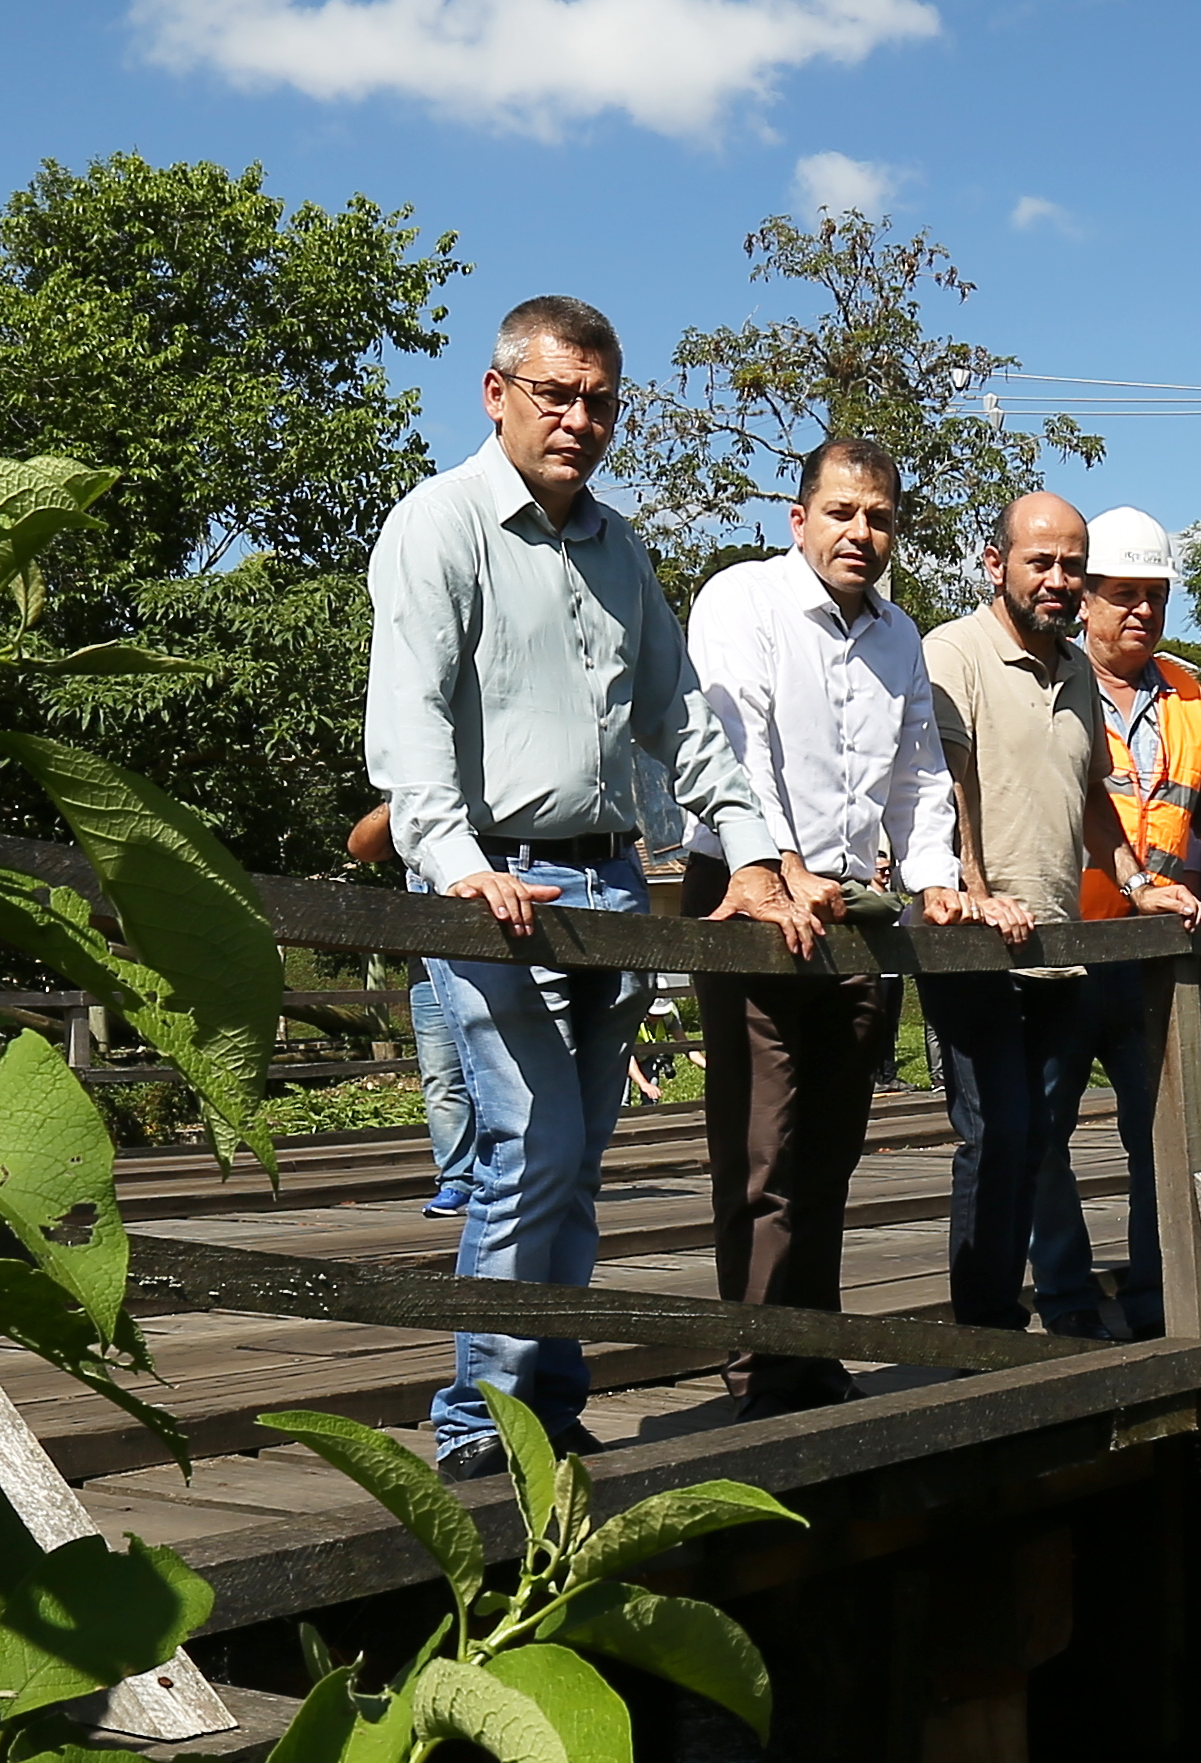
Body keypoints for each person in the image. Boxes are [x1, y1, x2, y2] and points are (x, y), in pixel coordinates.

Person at [367, 294, 816, 1479]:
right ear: (495, 391)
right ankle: (479, 1422)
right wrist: (453, 860)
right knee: (531, 1147)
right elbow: (407, 719)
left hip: (610, 883)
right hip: (491, 883)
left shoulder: (618, 548)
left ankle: (547, 1397)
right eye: (554, 394)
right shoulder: (438, 526)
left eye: (598, 401)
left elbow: (685, 721)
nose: (577, 420)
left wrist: (755, 852)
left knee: (575, 1161)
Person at [683, 435, 986, 1417]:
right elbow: (740, 742)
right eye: (843, 512)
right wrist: (775, 864)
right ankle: (762, 1369)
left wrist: (935, 881)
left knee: (829, 1149)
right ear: (798, 518)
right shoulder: (744, 599)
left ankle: (809, 1350)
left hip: (856, 908)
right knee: (762, 1150)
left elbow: (916, 774)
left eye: (880, 517)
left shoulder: (898, 635)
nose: (861, 532)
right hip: (748, 892)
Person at [1026, 504, 1201, 1331]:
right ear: (1085, 596)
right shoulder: (1048, 680)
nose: (1141, 610)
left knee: (1166, 1133)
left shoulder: (1188, 692)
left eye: (1153, 593)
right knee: (1044, 1132)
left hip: (1155, 957)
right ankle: (1069, 1299)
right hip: (1063, 946)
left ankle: (1162, 1293)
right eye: (1123, 593)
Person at [917, 493, 1113, 1339]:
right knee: (993, 1135)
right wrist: (971, 883)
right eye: (1041, 560)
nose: (1058, 579)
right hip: (976, 943)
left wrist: (1138, 879)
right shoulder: (951, 651)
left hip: (1058, 943)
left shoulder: (1078, 673)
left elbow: (1092, 798)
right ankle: (986, 1331)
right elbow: (942, 783)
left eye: (1072, 564)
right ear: (994, 562)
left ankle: (1049, 1302)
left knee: (1038, 1137)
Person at [350, 800, 478, 1216]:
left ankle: (513, 1175)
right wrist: (400, 793)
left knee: (503, 1068)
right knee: (441, 1075)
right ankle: (457, 1180)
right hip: (428, 957)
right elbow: (362, 847)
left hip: (495, 946)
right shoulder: (416, 797)